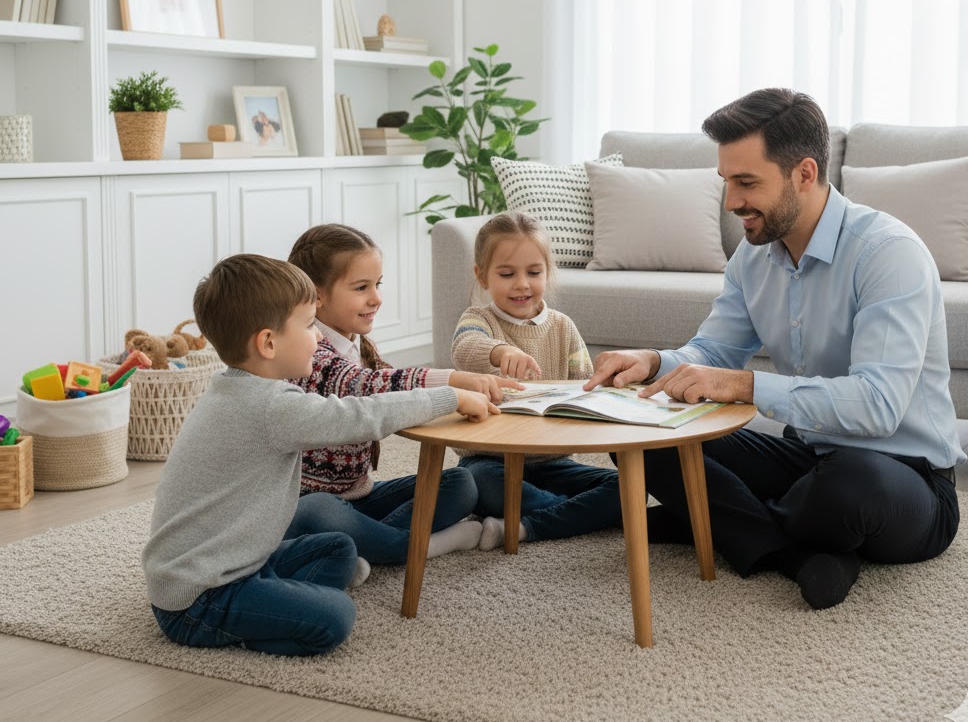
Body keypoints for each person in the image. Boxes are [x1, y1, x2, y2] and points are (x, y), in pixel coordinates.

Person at [583, 88, 964, 610]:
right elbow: (714, 354)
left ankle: (718, 519)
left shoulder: (887, 253)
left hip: (905, 478)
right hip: (809, 460)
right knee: (643, 436)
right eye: (726, 182)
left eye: (746, 182)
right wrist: (653, 362)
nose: (730, 202)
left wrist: (744, 386)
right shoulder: (753, 257)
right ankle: (797, 555)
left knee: (847, 487)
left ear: (804, 174)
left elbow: (878, 406)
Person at [141, 253, 497, 657]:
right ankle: (247, 624)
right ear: (268, 343)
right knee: (335, 617)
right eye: (310, 325)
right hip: (198, 597)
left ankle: (270, 600)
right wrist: (449, 397)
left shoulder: (235, 387)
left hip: (237, 562)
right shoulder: (270, 406)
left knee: (339, 549)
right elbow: (360, 415)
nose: (318, 337)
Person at [286, 224, 523, 565]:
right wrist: (453, 381)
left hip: (359, 495)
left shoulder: (356, 344)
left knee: (461, 483)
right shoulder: (308, 353)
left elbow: (393, 382)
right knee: (319, 510)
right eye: (361, 287)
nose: (376, 298)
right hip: (308, 504)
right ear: (317, 295)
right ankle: (417, 546)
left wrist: (466, 386)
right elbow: (369, 385)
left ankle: (366, 543)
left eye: (377, 284)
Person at [451, 211, 622, 551]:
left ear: (548, 272)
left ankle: (523, 526)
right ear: (482, 276)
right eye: (506, 274)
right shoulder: (477, 318)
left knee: (629, 487)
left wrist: (608, 386)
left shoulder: (562, 326)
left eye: (533, 272)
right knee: (476, 482)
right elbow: (465, 348)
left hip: (552, 462)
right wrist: (499, 351)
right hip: (490, 462)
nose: (522, 284)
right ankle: (574, 513)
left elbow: (585, 387)